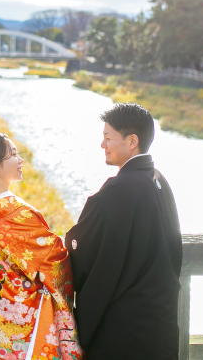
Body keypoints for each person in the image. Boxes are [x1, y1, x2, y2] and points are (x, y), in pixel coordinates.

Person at [0, 131, 83, 360]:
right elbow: (55, 263)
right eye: (13, 154)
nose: (20, 160)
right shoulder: (21, 217)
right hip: (18, 340)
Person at [64, 103, 183, 360]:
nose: (102, 145)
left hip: (123, 330)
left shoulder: (118, 190)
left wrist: (70, 243)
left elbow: (83, 251)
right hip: (159, 321)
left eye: (108, 137)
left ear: (132, 141)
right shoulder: (159, 180)